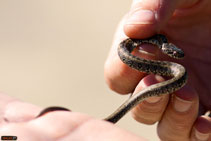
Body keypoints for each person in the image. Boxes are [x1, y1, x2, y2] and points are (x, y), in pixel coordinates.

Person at [0, 0, 210, 140]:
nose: (176, 56)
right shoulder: (150, 42)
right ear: (167, 49)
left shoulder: (169, 54)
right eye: (174, 54)